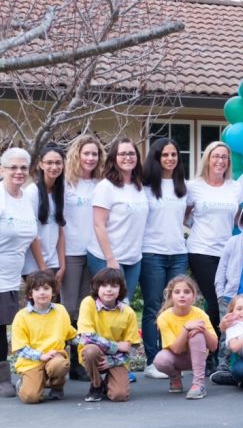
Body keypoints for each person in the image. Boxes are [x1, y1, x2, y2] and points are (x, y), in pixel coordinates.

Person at [185, 141, 243, 351]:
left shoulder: (235, 188)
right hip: (201, 251)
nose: (220, 161)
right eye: (215, 156)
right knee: (214, 299)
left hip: (226, 251)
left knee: (227, 299)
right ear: (208, 159)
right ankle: (212, 352)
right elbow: (185, 217)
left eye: (224, 157)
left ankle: (224, 350)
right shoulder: (193, 187)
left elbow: (237, 219)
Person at [139, 137, 188, 380]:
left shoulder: (184, 186)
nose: (170, 159)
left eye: (173, 155)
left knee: (176, 308)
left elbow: (189, 216)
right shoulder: (145, 187)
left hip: (178, 253)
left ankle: (172, 359)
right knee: (152, 307)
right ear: (156, 158)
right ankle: (152, 361)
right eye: (164, 155)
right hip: (152, 253)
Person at [0, 147, 43, 397]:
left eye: (23, 168)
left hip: (12, 273)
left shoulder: (25, 197)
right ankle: (3, 378)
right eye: (13, 167)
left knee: (5, 324)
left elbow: (33, 235)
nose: (18, 172)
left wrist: (41, 269)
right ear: (2, 169)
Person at [62, 135, 104, 379]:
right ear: (77, 155)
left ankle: (82, 361)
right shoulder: (67, 183)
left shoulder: (102, 183)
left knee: (88, 307)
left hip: (95, 251)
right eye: (86, 153)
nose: (90, 158)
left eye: (94, 154)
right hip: (71, 251)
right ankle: (67, 360)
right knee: (69, 308)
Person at [86, 138, 149, 299]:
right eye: (122, 154)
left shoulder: (139, 186)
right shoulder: (106, 187)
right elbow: (98, 224)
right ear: (114, 158)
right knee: (109, 304)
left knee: (124, 305)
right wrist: (111, 259)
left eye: (131, 153)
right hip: (107, 257)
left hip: (133, 258)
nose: (127, 157)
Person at [77, 268, 140, 402]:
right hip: (95, 353)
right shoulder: (88, 303)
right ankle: (96, 385)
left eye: (114, 286)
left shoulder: (128, 312)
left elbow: (132, 347)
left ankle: (108, 383)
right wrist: (115, 346)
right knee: (90, 351)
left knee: (119, 395)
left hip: (117, 358)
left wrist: (112, 361)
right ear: (97, 287)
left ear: (120, 289)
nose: (109, 289)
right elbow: (87, 337)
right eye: (104, 285)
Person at [11, 271, 75, 403]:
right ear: (30, 294)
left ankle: (56, 386)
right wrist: (41, 356)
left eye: (46, 288)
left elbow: (71, 334)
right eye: (37, 289)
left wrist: (90, 343)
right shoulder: (21, 316)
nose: (42, 292)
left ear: (53, 292)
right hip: (32, 361)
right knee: (31, 397)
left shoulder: (60, 310)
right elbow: (20, 348)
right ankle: (26, 383)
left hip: (54, 356)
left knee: (59, 364)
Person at [154, 275, 219, 399]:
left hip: (197, 357)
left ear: (194, 296)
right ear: (171, 296)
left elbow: (213, 346)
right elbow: (176, 349)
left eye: (187, 292)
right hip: (176, 357)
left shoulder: (200, 314)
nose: (182, 295)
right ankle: (175, 377)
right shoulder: (164, 317)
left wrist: (203, 329)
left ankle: (198, 384)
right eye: (177, 292)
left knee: (197, 333)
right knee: (160, 360)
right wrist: (186, 328)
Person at [23, 144, 66, 283]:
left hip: (53, 262)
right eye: (49, 162)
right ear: (41, 165)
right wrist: (42, 267)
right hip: (33, 265)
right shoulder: (32, 192)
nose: (54, 167)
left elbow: (60, 232)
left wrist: (62, 265)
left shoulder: (59, 192)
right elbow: (31, 234)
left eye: (58, 163)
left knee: (54, 304)